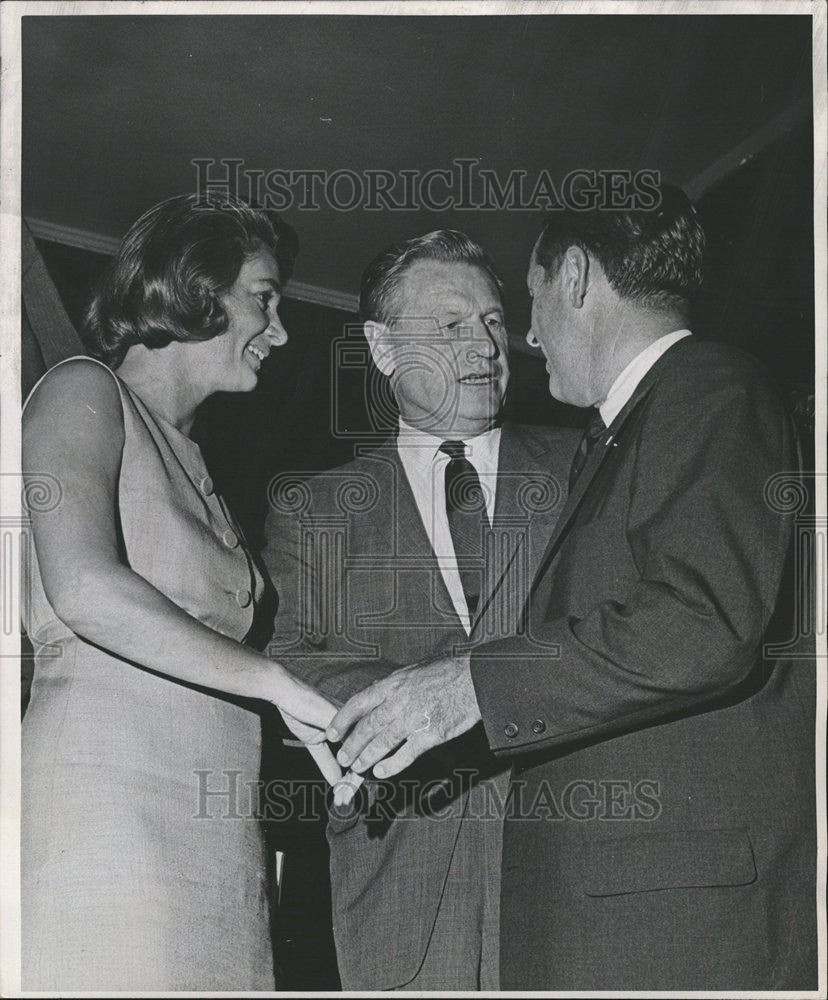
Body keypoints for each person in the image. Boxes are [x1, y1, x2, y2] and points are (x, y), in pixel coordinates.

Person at [328, 188, 817, 989]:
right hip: (620, 913)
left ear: (579, 277)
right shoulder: (628, 432)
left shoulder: (709, 390)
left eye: (530, 297)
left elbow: (701, 622)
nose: (523, 334)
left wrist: (470, 686)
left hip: (674, 919)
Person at [20, 194, 346, 991]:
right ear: (195, 283)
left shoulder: (200, 463)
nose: (281, 331)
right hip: (107, 811)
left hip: (220, 836)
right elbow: (85, 589)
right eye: (263, 299)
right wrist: (271, 681)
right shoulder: (81, 391)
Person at [262, 230, 579, 990]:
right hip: (405, 880)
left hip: (577, 863)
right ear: (381, 347)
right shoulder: (316, 510)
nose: (485, 346)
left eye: (494, 321)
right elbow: (295, 661)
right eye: (449, 325)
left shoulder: (586, 468)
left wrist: (483, 688)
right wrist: (443, 690)